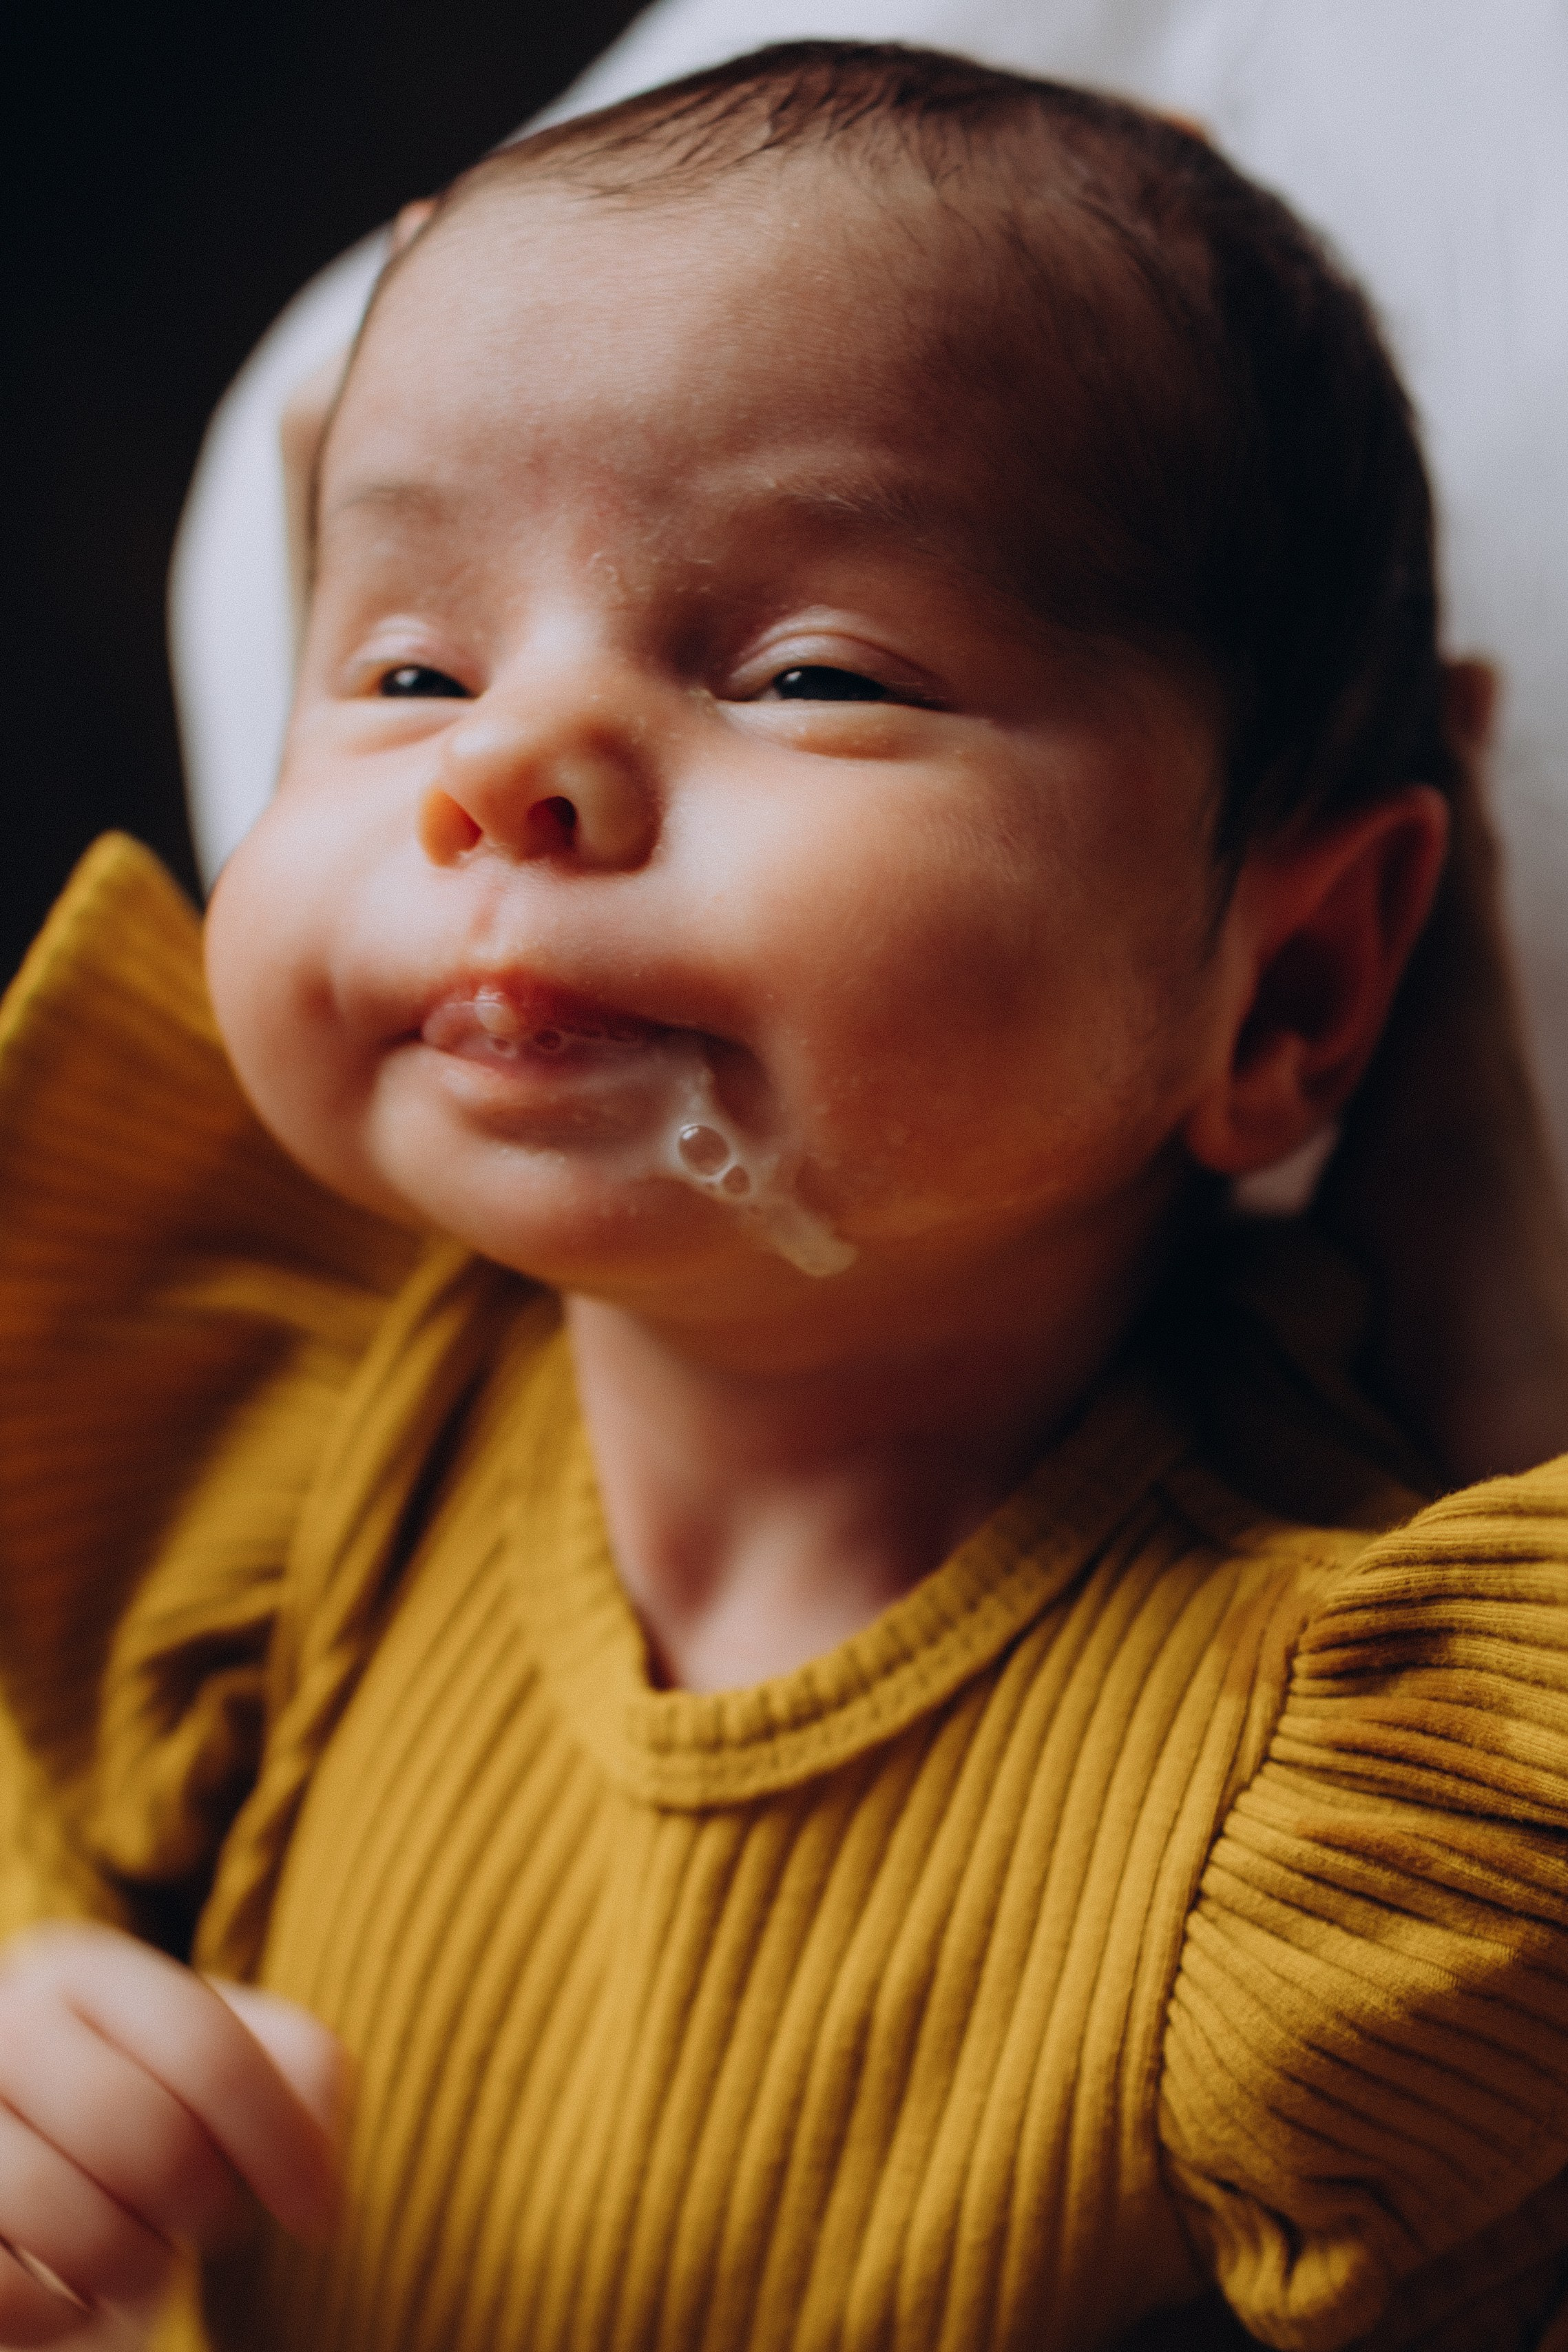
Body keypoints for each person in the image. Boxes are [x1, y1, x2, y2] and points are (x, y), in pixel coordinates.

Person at [1, 41, 1566, 2352]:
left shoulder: (1324, 1804)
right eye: (409, 662)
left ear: (1300, 978)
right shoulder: (273, 1448)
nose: (502, 769)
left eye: (812, 671)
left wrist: (1500, 1327)